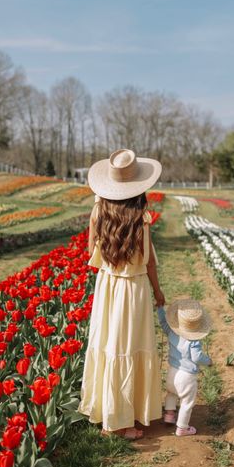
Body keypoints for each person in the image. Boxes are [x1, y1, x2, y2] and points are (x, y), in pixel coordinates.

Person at [78, 149, 165, 440]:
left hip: (108, 286)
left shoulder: (98, 212)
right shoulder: (142, 218)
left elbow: (91, 251)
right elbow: (149, 260)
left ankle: (107, 412)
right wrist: (158, 291)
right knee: (128, 345)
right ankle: (124, 422)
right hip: (134, 288)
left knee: (108, 344)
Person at [158, 299, 212, 436]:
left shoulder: (172, 332)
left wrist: (159, 309)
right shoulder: (193, 341)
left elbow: (163, 323)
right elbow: (197, 357)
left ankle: (169, 415)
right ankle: (182, 428)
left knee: (171, 393)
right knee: (187, 402)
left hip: (172, 372)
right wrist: (208, 361)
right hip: (186, 376)